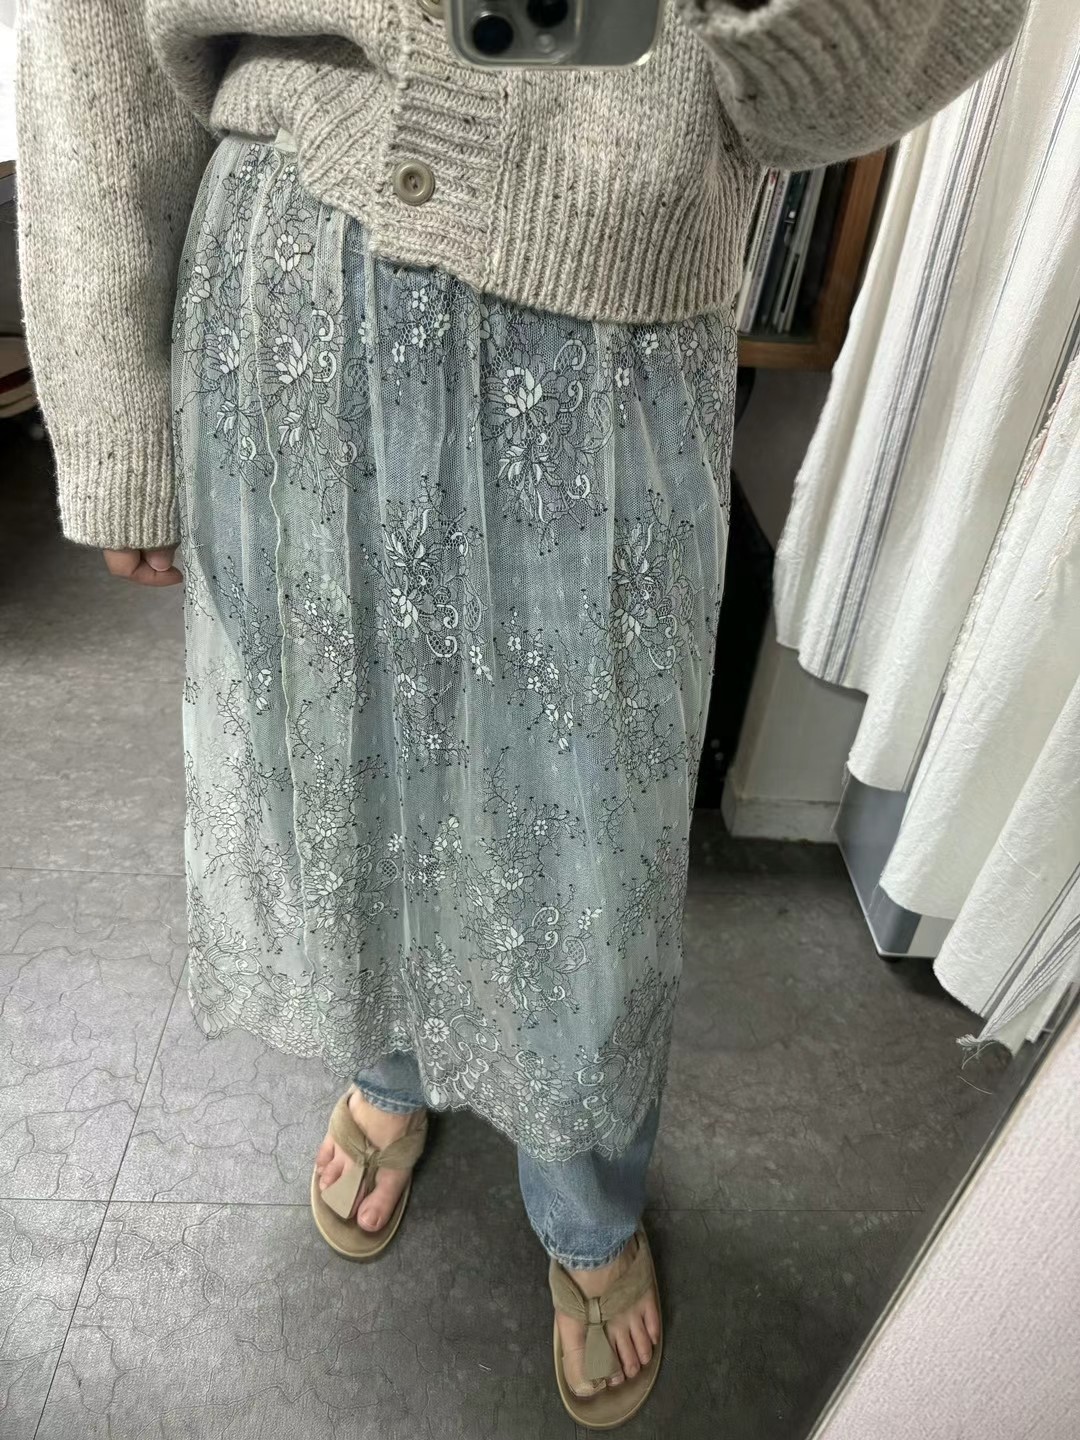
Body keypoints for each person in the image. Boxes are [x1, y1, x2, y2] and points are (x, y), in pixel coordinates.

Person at [17, 0, 1025, 1426]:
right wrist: (111, 398)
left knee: (586, 850)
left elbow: (882, 49)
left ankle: (583, 1187)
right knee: (338, 785)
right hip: (286, 281)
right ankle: (388, 1061)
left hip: (610, 318)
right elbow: (90, 39)